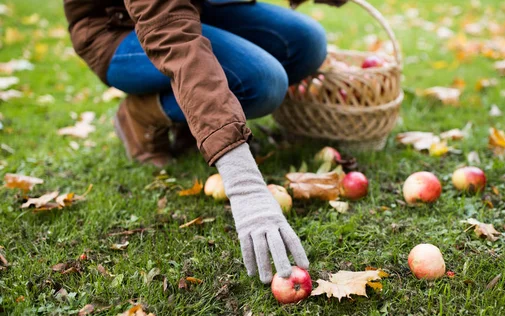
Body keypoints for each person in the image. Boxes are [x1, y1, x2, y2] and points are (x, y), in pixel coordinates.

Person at [63, 0, 346, 284]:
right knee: (262, 82)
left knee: (307, 43)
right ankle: (141, 113)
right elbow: (176, 40)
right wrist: (245, 184)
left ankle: (190, 123)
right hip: (119, 27)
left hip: (201, 6)